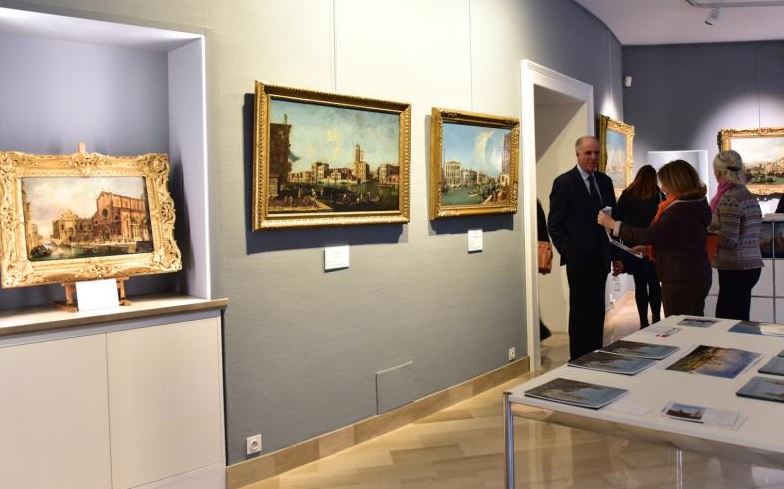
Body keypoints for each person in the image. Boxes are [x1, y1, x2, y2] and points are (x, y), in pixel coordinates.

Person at [597, 160, 711, 317]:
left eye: (665, 184)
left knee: (681, 324)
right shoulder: (694, 204)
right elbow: (676, 239)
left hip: (680, 278)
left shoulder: (679, 209)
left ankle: (647, 323)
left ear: (677, 183)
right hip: (692, 274)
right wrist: (650, 249)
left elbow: (649, 235)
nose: (663, 188)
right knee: (692, 320)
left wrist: (612, 224)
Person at [548, 136, 621, 360]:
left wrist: (616, 256)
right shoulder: (564, 182)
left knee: (597, 310)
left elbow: (612, 220)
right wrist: (569, 252)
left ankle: (595, 355)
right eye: (588, 153)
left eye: (596, 153)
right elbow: (554, 224)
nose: (593, 157)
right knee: (580, 311)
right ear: (578, 154)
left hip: (601, 258)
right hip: (578, 260)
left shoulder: (605, 182)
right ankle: (579, 359)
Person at [709, 150, 762, 320]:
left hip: (736, 267)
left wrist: (706, 233)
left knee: (727, 321)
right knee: (740, 319)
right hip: (749, 265)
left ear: (718, 172)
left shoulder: (729, 198)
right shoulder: (747, 194)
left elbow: (729, 239)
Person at [614, 165, 663, 327]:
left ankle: (643, 321)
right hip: (653, 247)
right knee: (655, 284)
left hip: (633, 248)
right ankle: (656, 318)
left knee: (640, 285)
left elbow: (618, 221)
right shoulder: (658, 196)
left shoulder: (627, 195)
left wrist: (618, 253)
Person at [536, 199, 552, 341]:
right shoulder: (535, 204)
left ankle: (540, 330)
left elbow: (543, 230)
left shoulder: (533, 204)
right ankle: (540, 330)